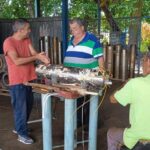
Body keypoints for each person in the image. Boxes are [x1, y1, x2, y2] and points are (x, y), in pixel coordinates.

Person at [3, 18, 50, 144]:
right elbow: (17, 61)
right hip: (17, 81)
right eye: (28, 29)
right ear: (20, 30)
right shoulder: (9, 42)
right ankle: (22, 134)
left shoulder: (26, 39)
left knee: (28, 106)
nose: (29, 31)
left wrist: (41, 56)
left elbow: (33, 53)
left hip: (29, 79)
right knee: (20, 109)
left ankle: (19, 127)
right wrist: (36, 57)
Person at [63, 18, 104, 129]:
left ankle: (90, 123)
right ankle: (79, 120)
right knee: (78, 100)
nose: (72, 31)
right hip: (73, 77)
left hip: (88, 77)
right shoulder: (71, 39)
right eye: (71, 29)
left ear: (82, 27)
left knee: (89, 101)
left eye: (75, 28)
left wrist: (101, 74)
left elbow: (100, 57)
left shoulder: (92, 39)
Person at [107, 51, 150, 150]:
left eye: (143, 60)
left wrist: (125, 84)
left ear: (149, 62)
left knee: (111, 133)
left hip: (140, 138)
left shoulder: (136, 83)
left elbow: (112, 99)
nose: (142, 64)